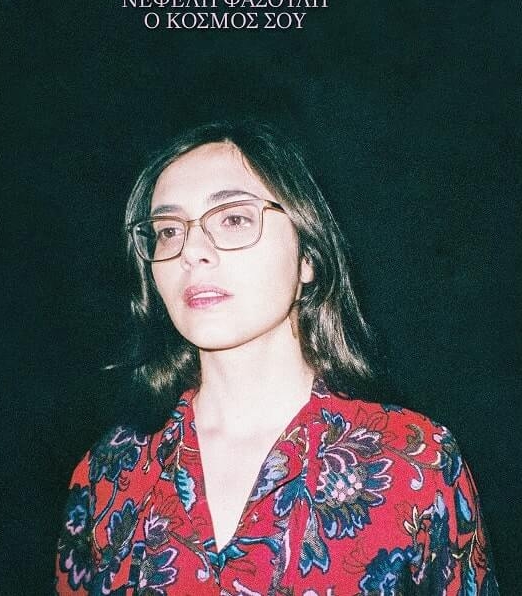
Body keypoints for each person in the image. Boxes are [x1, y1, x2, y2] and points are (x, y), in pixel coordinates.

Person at [55, 120, 498, 595]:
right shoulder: (110, 471)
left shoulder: (417, 462)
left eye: (234, 219)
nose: (191, 252)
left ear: (308, 256)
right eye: (167, 230)